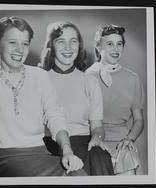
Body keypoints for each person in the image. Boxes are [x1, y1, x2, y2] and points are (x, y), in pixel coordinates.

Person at [0, 16, 86, 177]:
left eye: (25, 43)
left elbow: (55, 116)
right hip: (2, 156)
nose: (20, 49)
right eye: (12, 42)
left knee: (78, 175)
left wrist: (67, 150)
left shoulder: (40, 76)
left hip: (40, 153)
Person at [40, 21, 114, 176]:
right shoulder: (39, 80)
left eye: (73, 41)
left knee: (100, 156)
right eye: (61, 41)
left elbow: (97, 127)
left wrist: (96, 137)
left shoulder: (90, 82)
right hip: (49, 144)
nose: (68, 48)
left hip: (83, 142)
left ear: (79, 46)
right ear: (51, 46)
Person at [86, 24, 145, 175]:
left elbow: (138, 120)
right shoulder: (87, 76)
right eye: (110, 44)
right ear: (99, 47)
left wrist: (129, 139)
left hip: (123, 145)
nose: (115, 49)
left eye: (119, 44)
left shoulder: (133, 79)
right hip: (93, 143)